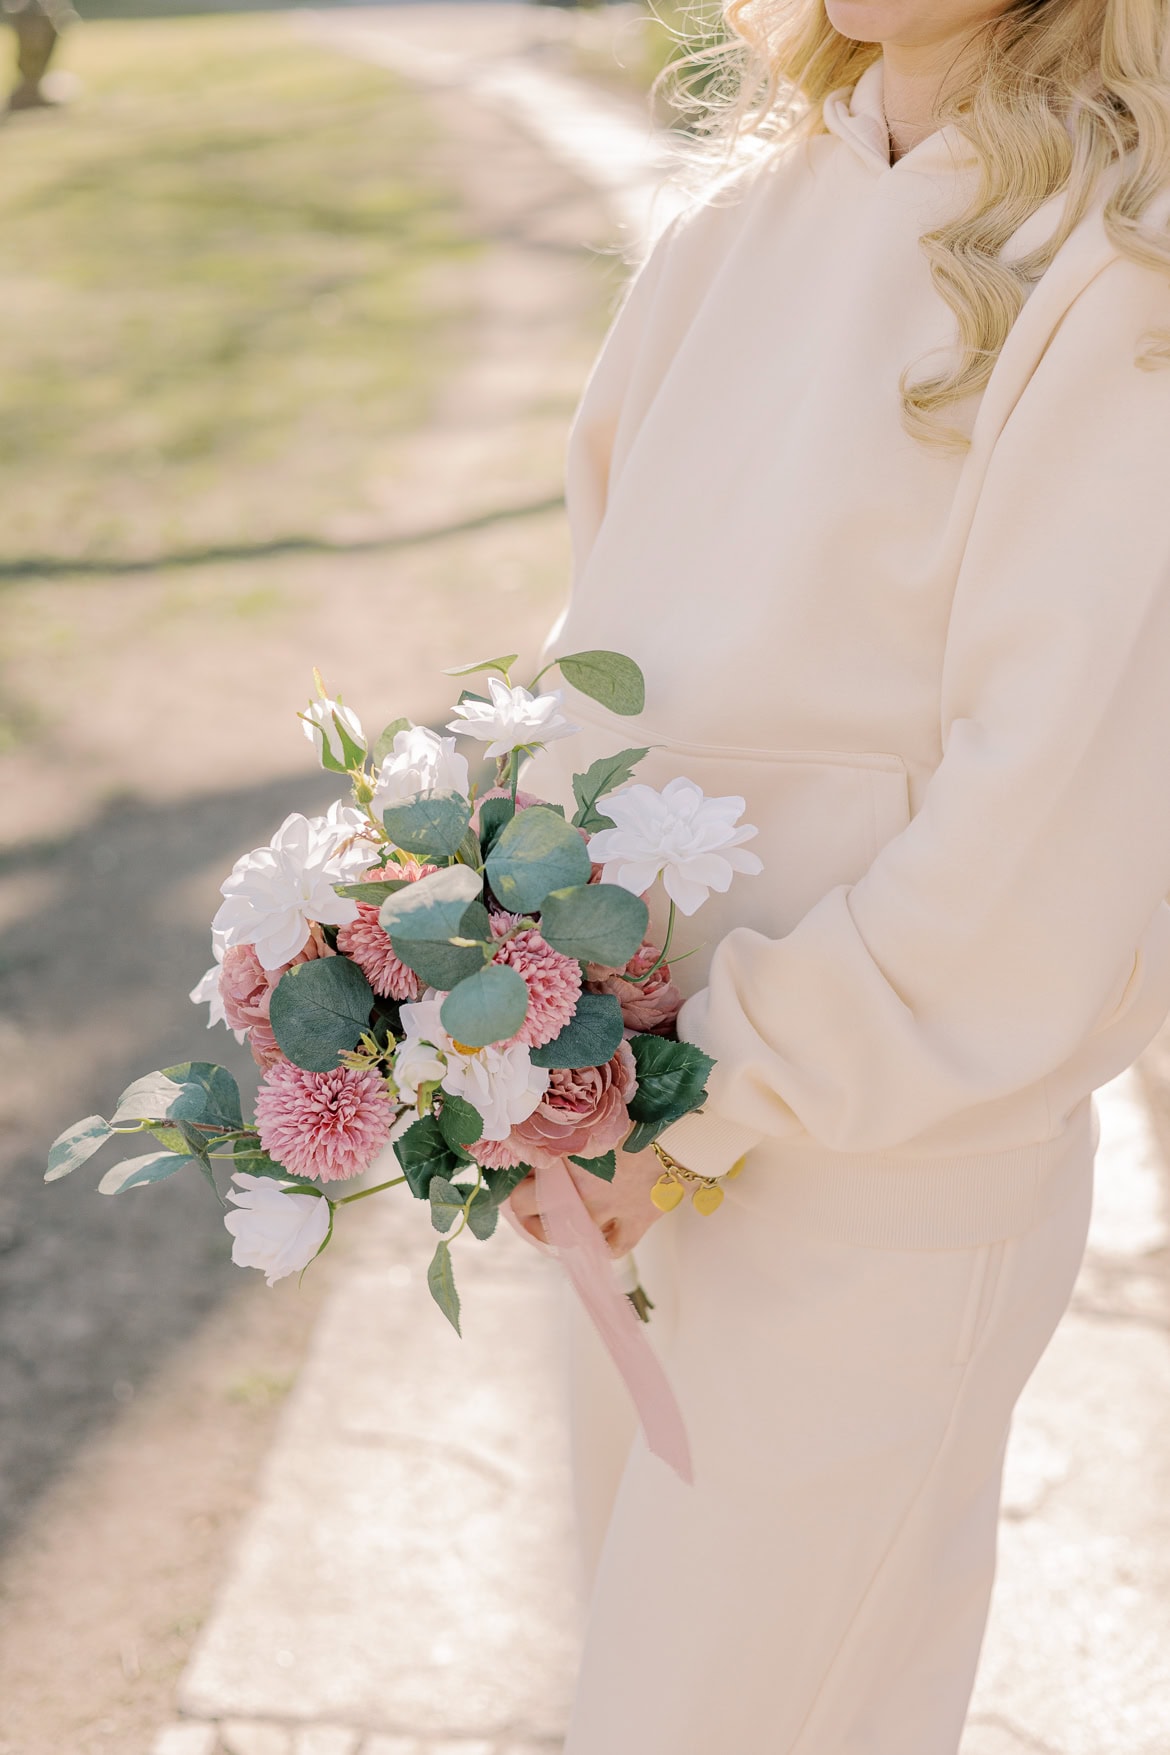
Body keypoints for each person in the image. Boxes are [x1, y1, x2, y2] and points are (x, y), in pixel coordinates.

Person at [507, 0, 1170, 1748]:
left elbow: (1051, 837)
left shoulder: (1125, 259)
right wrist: (510, 1005)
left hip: (877, 1162)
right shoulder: (733, 219)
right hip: (629, 1133)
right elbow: (597, 662)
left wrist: (704, 1089)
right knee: (633, 1699)